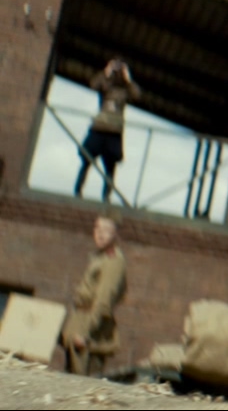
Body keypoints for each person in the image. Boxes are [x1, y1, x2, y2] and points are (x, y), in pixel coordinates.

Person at [63, 213, 128, 377]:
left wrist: (86, 332)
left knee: (82, 382)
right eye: (97, 228)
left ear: (116, 234)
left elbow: (104, 300)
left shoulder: (114, 261)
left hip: (91, 327)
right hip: (80, 319)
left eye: (106, 230)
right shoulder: (100, 257)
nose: (100, 234)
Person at [74, 58, 140, 202]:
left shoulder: (125, 91)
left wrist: (128, 78)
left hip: (114, 132)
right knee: (87, 160)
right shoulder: (106, 85)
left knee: (110, 167)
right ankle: (78, 191)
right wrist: (106, 71)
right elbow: (94, 85)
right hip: (99, 127)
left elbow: (136, 95)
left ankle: (106, 197)